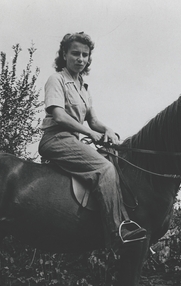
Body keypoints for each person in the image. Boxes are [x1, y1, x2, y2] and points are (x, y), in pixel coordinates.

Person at [38, 32, 146, 249]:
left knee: (114, 158)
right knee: (105, 169)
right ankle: (118, 229)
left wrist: (107, 130)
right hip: (55, 139)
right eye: (75, 53)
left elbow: (93, 120)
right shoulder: (56, 79)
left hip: (72, 140)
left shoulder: (82, 87)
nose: (80, 59)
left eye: (85, 55)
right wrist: (89, 134)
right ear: (64, 55)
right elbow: (58, 115)